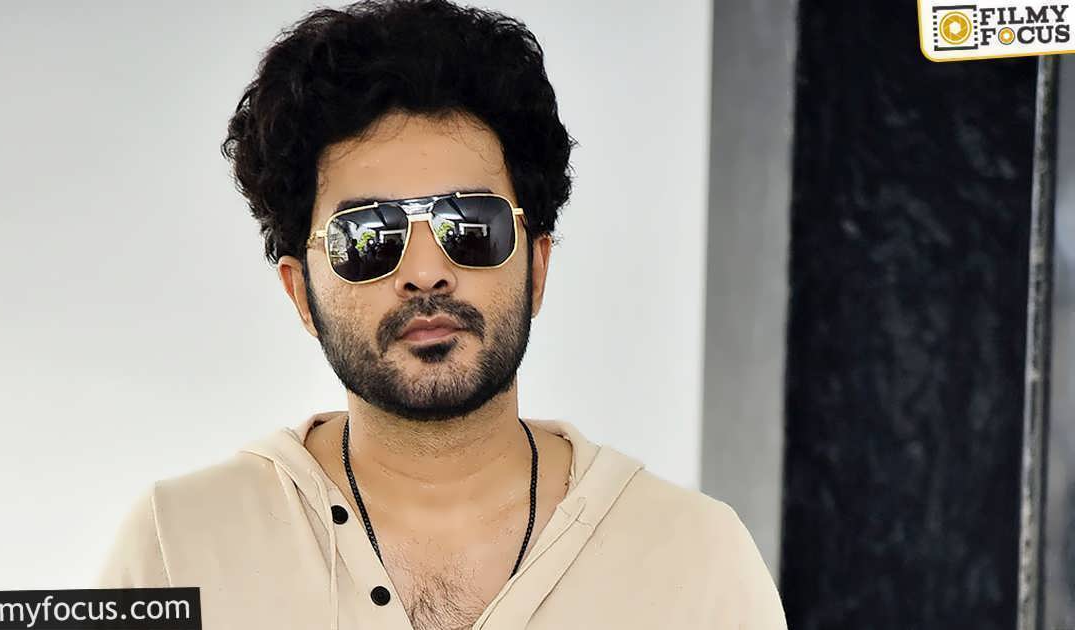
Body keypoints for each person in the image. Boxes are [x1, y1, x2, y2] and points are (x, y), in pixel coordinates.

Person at [96, 1, 788, 628]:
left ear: (537, 265)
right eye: (368, 237)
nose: (425, 273)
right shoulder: (173, 547)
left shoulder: (697, 558)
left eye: (472, 226)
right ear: (300, 292)